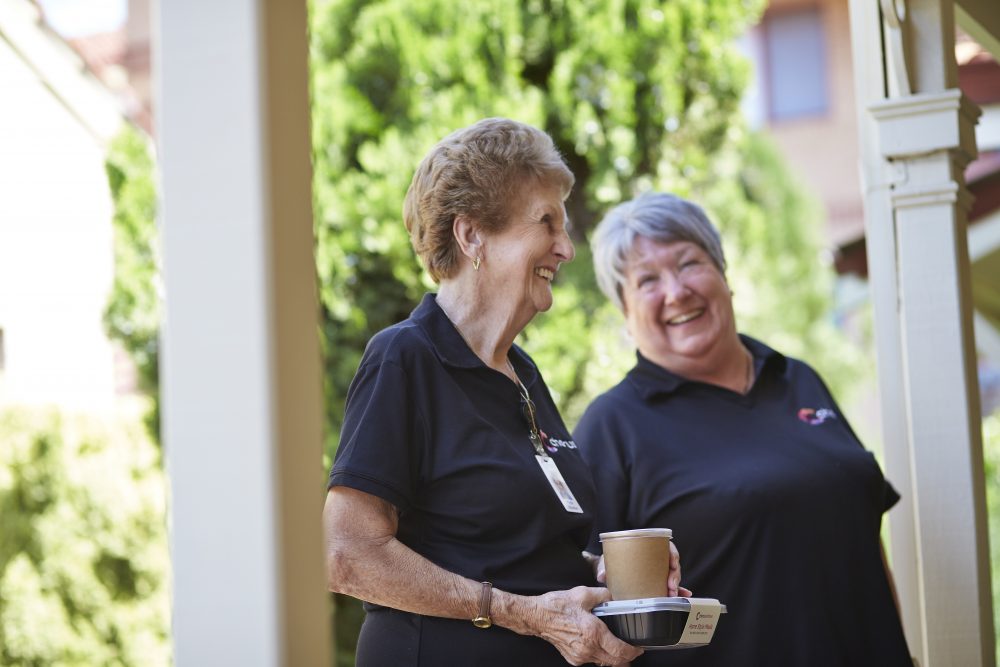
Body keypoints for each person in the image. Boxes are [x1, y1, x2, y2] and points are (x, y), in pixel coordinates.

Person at [323, 119, 683, 666]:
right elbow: (347, 555)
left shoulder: (523, 372)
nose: (565, 248)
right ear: (472, 237)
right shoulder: (405, 358)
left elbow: (522, 553)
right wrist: (525, 614)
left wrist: (610, 578)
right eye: (546, 223)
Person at [575, 192, 912, 666]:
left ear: (723, 274)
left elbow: (864, 534)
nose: (675, 291)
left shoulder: (798, 379)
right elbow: (585, 607)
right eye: (647, 280)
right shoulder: (612, 426)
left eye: (689, 263)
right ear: (626, 315)